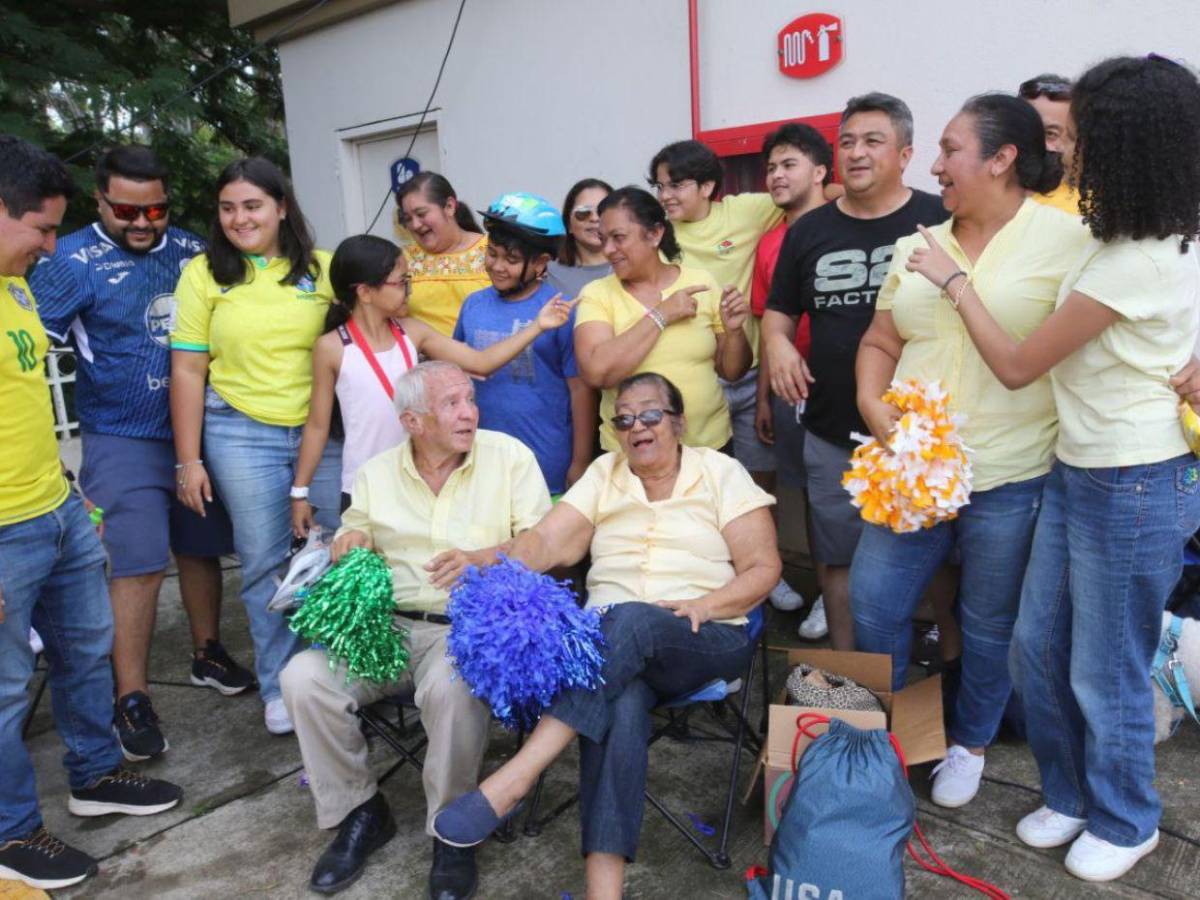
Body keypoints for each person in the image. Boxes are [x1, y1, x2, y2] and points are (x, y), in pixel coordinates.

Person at [910, 57, 1200, 882]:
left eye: (1080, 134)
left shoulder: (1135, 259)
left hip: (1136, 480)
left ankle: (1129, 816)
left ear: (1128, 144)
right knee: (1038, 647)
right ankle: (1071, 793)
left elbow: (1015, 365)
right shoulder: (1127, 233)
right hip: (1080, 470)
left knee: (1104, 666)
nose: (1063, 147)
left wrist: (956, 284)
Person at [432, 372, 781, 900]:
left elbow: (763, 567)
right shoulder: (604, 474)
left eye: (650, 415)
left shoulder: (720, 472)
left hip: (703, 634)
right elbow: (546, 542)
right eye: (624, 418)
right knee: (620, 698)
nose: (636, 426)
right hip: (614, 653)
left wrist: (704, 605)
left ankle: (518, 776)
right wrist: (482, 558)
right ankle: (604, 891)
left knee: (631, 620)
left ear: (679, 422)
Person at [850, 94, 1091, 811]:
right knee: (874, 607)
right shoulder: (917, 242)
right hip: (912, 474)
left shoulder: (1070, 239)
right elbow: (880, 340)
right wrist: (872, 402)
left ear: (1002, 157)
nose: (935, 164)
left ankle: (970, 742)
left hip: (1011, 475)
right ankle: (893, 737)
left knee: (990, 624)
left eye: (950, 149)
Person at [281, 361, 551, 898]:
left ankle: (452, 831)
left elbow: (544, 547)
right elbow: (354, 530)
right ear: (413, 420)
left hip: (468, 629)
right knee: (302, 678)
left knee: (453, 686)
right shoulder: (377, 473)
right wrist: (350, 543)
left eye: (470, 399)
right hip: (388, 628)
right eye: (451, 403)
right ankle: (361, 811)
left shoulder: (509, 458)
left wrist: (483, 557)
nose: (469, 412)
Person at [28, 145, 252, 763]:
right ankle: (130, 696)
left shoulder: (190, 249)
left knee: (201, 544)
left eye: (155, 209)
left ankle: (207, 650)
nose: (142, 222)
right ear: (98, 199)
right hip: (121, 433)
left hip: (201, 429)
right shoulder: (67, 260)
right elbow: (30, 353)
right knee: (139, 562)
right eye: (127, 209)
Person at [0, 135, 181, 892]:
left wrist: (70, 490)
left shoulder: (14, 284)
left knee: (85, 649)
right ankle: (13, 832)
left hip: (55, 506)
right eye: (41, 228)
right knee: (6, 688)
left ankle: (96, 773)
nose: (51, 246)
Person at [763, 93, 949, 651]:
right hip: (830, 428)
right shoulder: (808, 231)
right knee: (837, 561)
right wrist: (776, 344)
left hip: (922, 435)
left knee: (940, 560)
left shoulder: (940, 219)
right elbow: (778, 312)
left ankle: (951, 671)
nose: (857, 153)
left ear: (906, 153)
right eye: (847, 142)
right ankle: (851, 679)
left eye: (873, 141)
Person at [170, 157, 344, 736]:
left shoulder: (321, 269)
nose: (240, 219)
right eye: (227, 208)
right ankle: (279, 685)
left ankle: (337, 679)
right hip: (240, 431)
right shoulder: (203, 274)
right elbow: (189, 370)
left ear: (281, 208)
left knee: (332, 557)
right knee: (267, 562)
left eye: (252, 206)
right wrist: (189, 460)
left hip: (322, 433)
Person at [291, 231, 576, 526]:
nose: (409, 290)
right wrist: (300, 493)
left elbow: (481, 362)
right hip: (364, 485)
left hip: (425, 480)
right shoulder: (331, 348)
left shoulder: (413, 332)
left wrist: (538, 326)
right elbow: (317, 426)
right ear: (365, 292)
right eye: (402, 282)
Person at [574, 187, 750, 453]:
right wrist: (662, 315)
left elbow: (732, 371)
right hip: (631, 456)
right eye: (603, 238)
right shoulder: (597, 294)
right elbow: (596, 372)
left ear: (655, 234)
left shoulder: (700, 283)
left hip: (708, 449)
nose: (608, 249)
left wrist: (735, 332)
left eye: (618, 237)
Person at [649, 140, 779, 487]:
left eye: (676, 185)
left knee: (759, 483)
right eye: (659, 186)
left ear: (707, 187)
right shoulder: (656, 235)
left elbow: (814, 193)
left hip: (750, 375)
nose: (665, 196)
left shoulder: (744, 212)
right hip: (696, 376)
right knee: (699, 480)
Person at [454, 192, 594, 493]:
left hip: (544, 461)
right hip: (480, 461)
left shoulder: (560, 311)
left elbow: (580, 390)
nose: (498, 266)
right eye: (492, 254)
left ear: (542, 262)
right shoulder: (472, 306)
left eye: (512, 259)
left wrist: (580, 461)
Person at [749, 123, 833, 623]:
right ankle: (828, 591)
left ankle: (844, 589)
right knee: (805, 490)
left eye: (789, 165)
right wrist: (764, 397)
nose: (776, 176)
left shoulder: (849, 222)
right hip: (788, 389)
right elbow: (767, 324)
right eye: (771, 168)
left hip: (852, 383)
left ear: (821, 172)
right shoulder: (769, 243)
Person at [396, 172, 489, 337]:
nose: (415, 225)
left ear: (449, 206)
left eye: (421, 214)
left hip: (485, 357)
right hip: (422, 360)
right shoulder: (401, 260)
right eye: (407, 218)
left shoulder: (492, 252)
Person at [1017, 74, 1079, 214]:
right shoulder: (982, 196)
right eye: (1028, 130)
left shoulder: (1082, 210)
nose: (1034, 140)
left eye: (1051, 133)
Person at [546, 177, 613, 299]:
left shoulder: (635, 267)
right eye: (583, 212)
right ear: (568, 224)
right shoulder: (548, 273)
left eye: (602, 211)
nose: (594, 218)